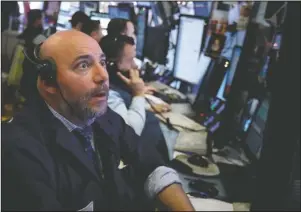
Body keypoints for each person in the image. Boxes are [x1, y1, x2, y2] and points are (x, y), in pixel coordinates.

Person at [2, 30, 194, 211]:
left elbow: (148, 162)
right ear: (48, 82)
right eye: (83, 65)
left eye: (102, 62)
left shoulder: (99, 115)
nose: (103, 76)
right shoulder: (18, 150)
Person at [100, 35, 170, 163]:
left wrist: (143, 103)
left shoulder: (113, 90)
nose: (135, 66)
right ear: (111, 66)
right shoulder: (108, 95)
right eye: (130, 60)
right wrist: (138, 94)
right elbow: (130, 130)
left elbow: (124, 110)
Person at [18, 9, 45, 100]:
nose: (42, 20)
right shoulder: (35, 33)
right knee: (29, 83)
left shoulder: (28, 30)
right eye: (41, 18)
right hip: (32, 63)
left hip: (28, 62)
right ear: (37, 19)